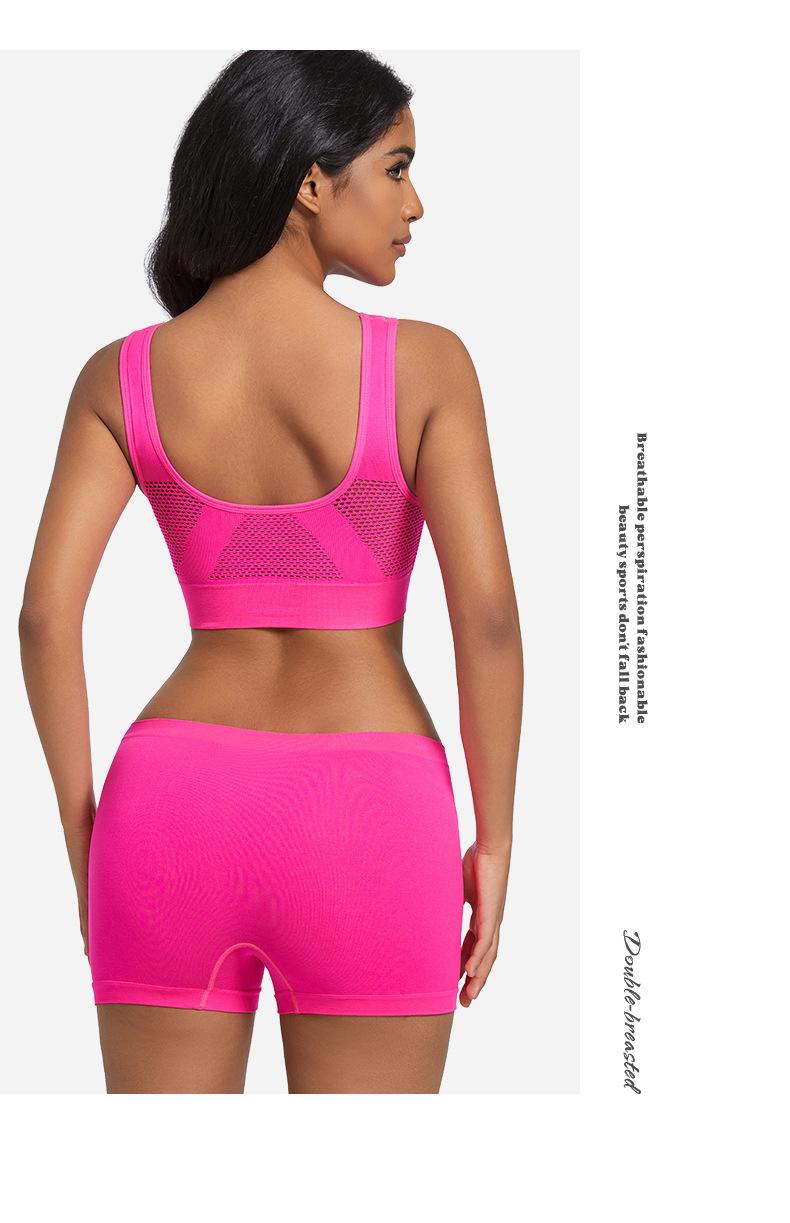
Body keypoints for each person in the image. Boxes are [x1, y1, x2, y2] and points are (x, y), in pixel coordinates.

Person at [18, 50, 523, 1094]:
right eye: (396, 168)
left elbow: (42, 618)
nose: (415, 204)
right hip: (367, 812)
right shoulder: (426, 365)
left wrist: (84, 839)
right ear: (310, 182)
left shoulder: (122, 376)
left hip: (167, 812)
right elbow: (486, 618)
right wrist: (496, 837)